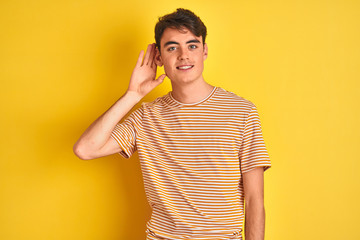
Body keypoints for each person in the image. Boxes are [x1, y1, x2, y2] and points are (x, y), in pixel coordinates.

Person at [73, 8, 271, 240]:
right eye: (172, 47)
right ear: (158, 57)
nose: (184, 55)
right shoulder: (145, 117)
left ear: (204, 51)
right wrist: (132, 95)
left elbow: (255, 199)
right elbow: (86, 149)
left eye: (192, 45)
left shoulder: (242, 111)